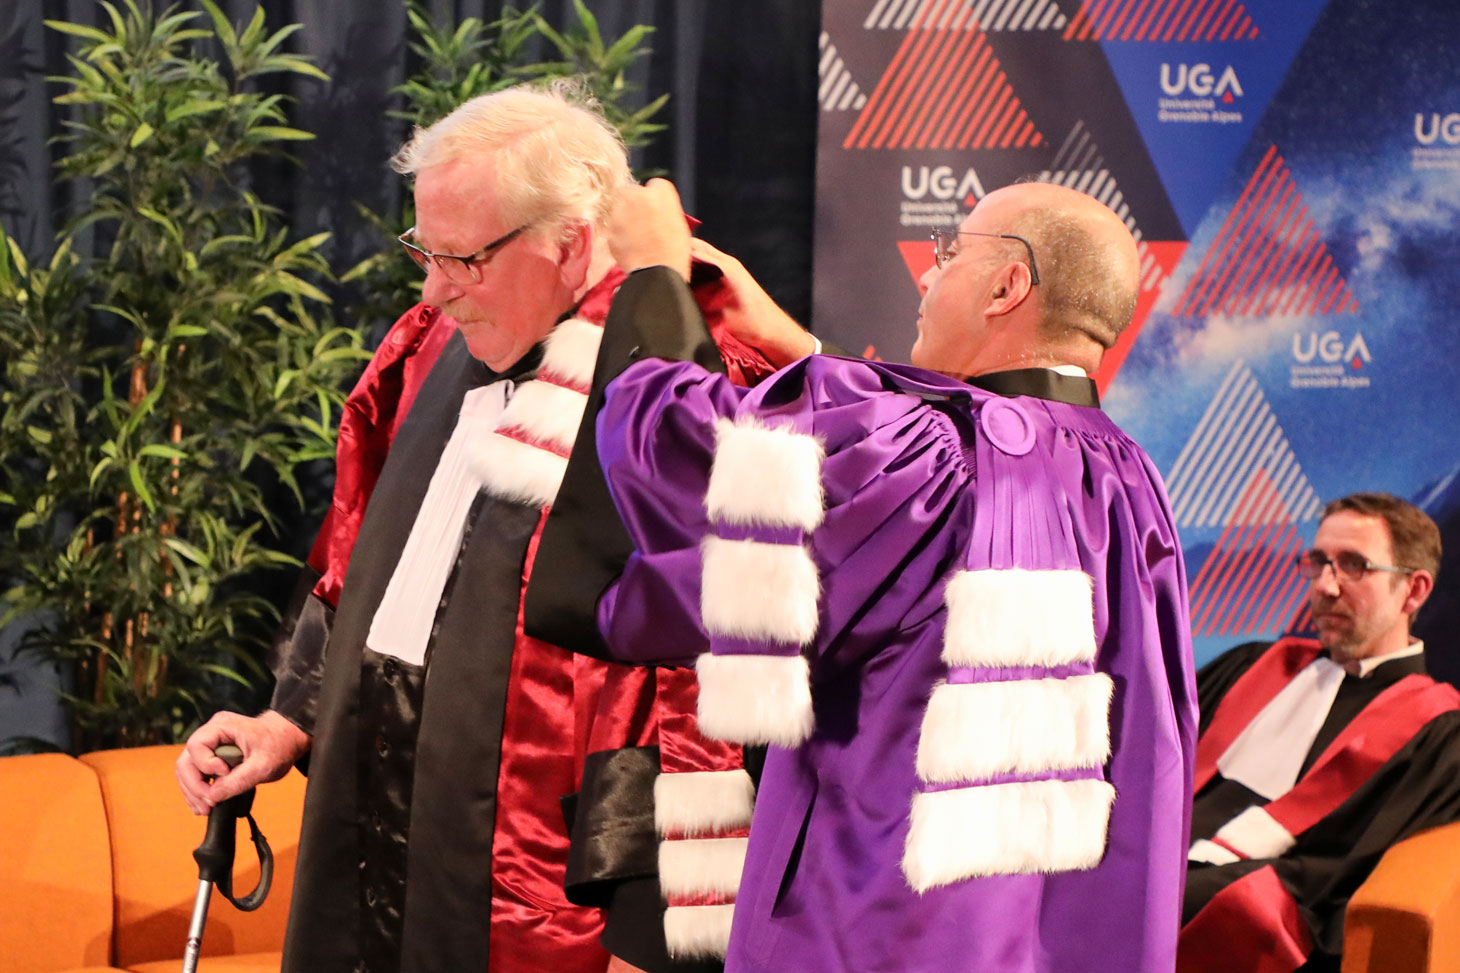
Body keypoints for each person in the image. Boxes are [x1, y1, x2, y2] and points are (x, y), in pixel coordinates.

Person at [174, 84, 776, 973]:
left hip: (545, 898)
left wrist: (656, 931)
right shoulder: (427, 345)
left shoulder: (684, 377)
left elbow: (706, 681)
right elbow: (356, 561)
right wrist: (289, 719)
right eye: (426, 251)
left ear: (570, 241)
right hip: (375, 844)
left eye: (462, 259)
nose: (434, 289)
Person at [527, 178, 1198, 970]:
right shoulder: (1129, 484)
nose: (928, 272)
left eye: (952, 253)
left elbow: (697, 461)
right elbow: (913, 469)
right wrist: (798, 348)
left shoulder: (939, 461)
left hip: (886, 929)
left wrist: (652, 280)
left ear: (1008, 286)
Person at [1179, 493, 1460, 973]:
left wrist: (1181, 883)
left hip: (1232, 907)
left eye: (1353, 566)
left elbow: (1338, 873)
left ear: (1413, 591)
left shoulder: (1436, 733)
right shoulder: (1252, 666)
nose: (1326, 586)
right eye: (1319, 563)